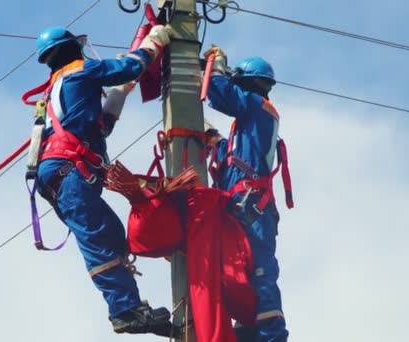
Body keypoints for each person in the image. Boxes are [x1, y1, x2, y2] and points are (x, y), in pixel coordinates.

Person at [32, 25, 174, 337]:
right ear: (71, 48)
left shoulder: (59, 87)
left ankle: (131, 306)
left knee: (109, 235)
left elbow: (99, 129)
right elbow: (131, 66)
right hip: (69, 171)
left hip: (62, 171)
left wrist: (118, 95)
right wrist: (154, 41)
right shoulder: (81, 70)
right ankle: (124, 311)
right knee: (98, 239)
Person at [203, 45, 291, 342]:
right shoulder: (249, 124)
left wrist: (215, 66)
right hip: (240, 207)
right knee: (235, 273)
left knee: (261, 274)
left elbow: (217, 91)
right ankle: (248, 335)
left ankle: (271, 338)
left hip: (252, 207)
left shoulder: (256, 106)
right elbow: (232, 158)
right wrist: (210, 137)